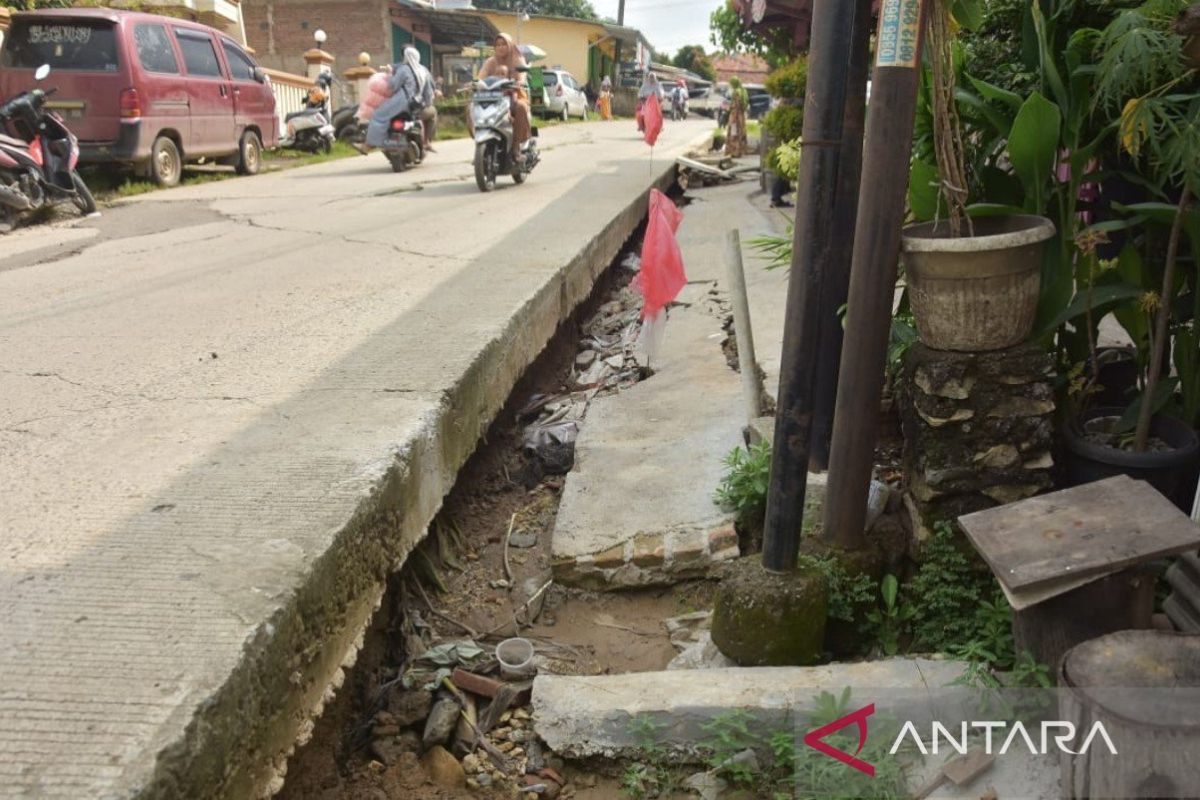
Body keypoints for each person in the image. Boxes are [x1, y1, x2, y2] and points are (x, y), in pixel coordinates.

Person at [477, 33, 531, 163]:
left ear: (510, 45)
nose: (500, 47)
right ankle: (479, 142)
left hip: (515, 95)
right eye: (498, 45)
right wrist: (475, 83)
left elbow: (522, 75)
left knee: (521, 107)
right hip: (494, 97)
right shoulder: (491, 61)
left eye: (504, 44)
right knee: (471, 107)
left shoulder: (517, 59)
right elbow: (481, 76)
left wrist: (520, 81)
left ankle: (516, 146)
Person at [358, 57, 421, 154]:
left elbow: (393, 85)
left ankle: (370, 144)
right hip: (413, 103)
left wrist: (390, 73)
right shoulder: (418, 70)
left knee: (378, 116)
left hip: (402, 99)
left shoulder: (404, 69)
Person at [403, 46, 439, 153]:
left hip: (398, 110)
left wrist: (383, 67)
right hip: (415, 110)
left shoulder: (399, 68)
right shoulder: (423, 71)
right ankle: (426, 142)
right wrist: (429, 101)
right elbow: (429, 91)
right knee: (432, 112)